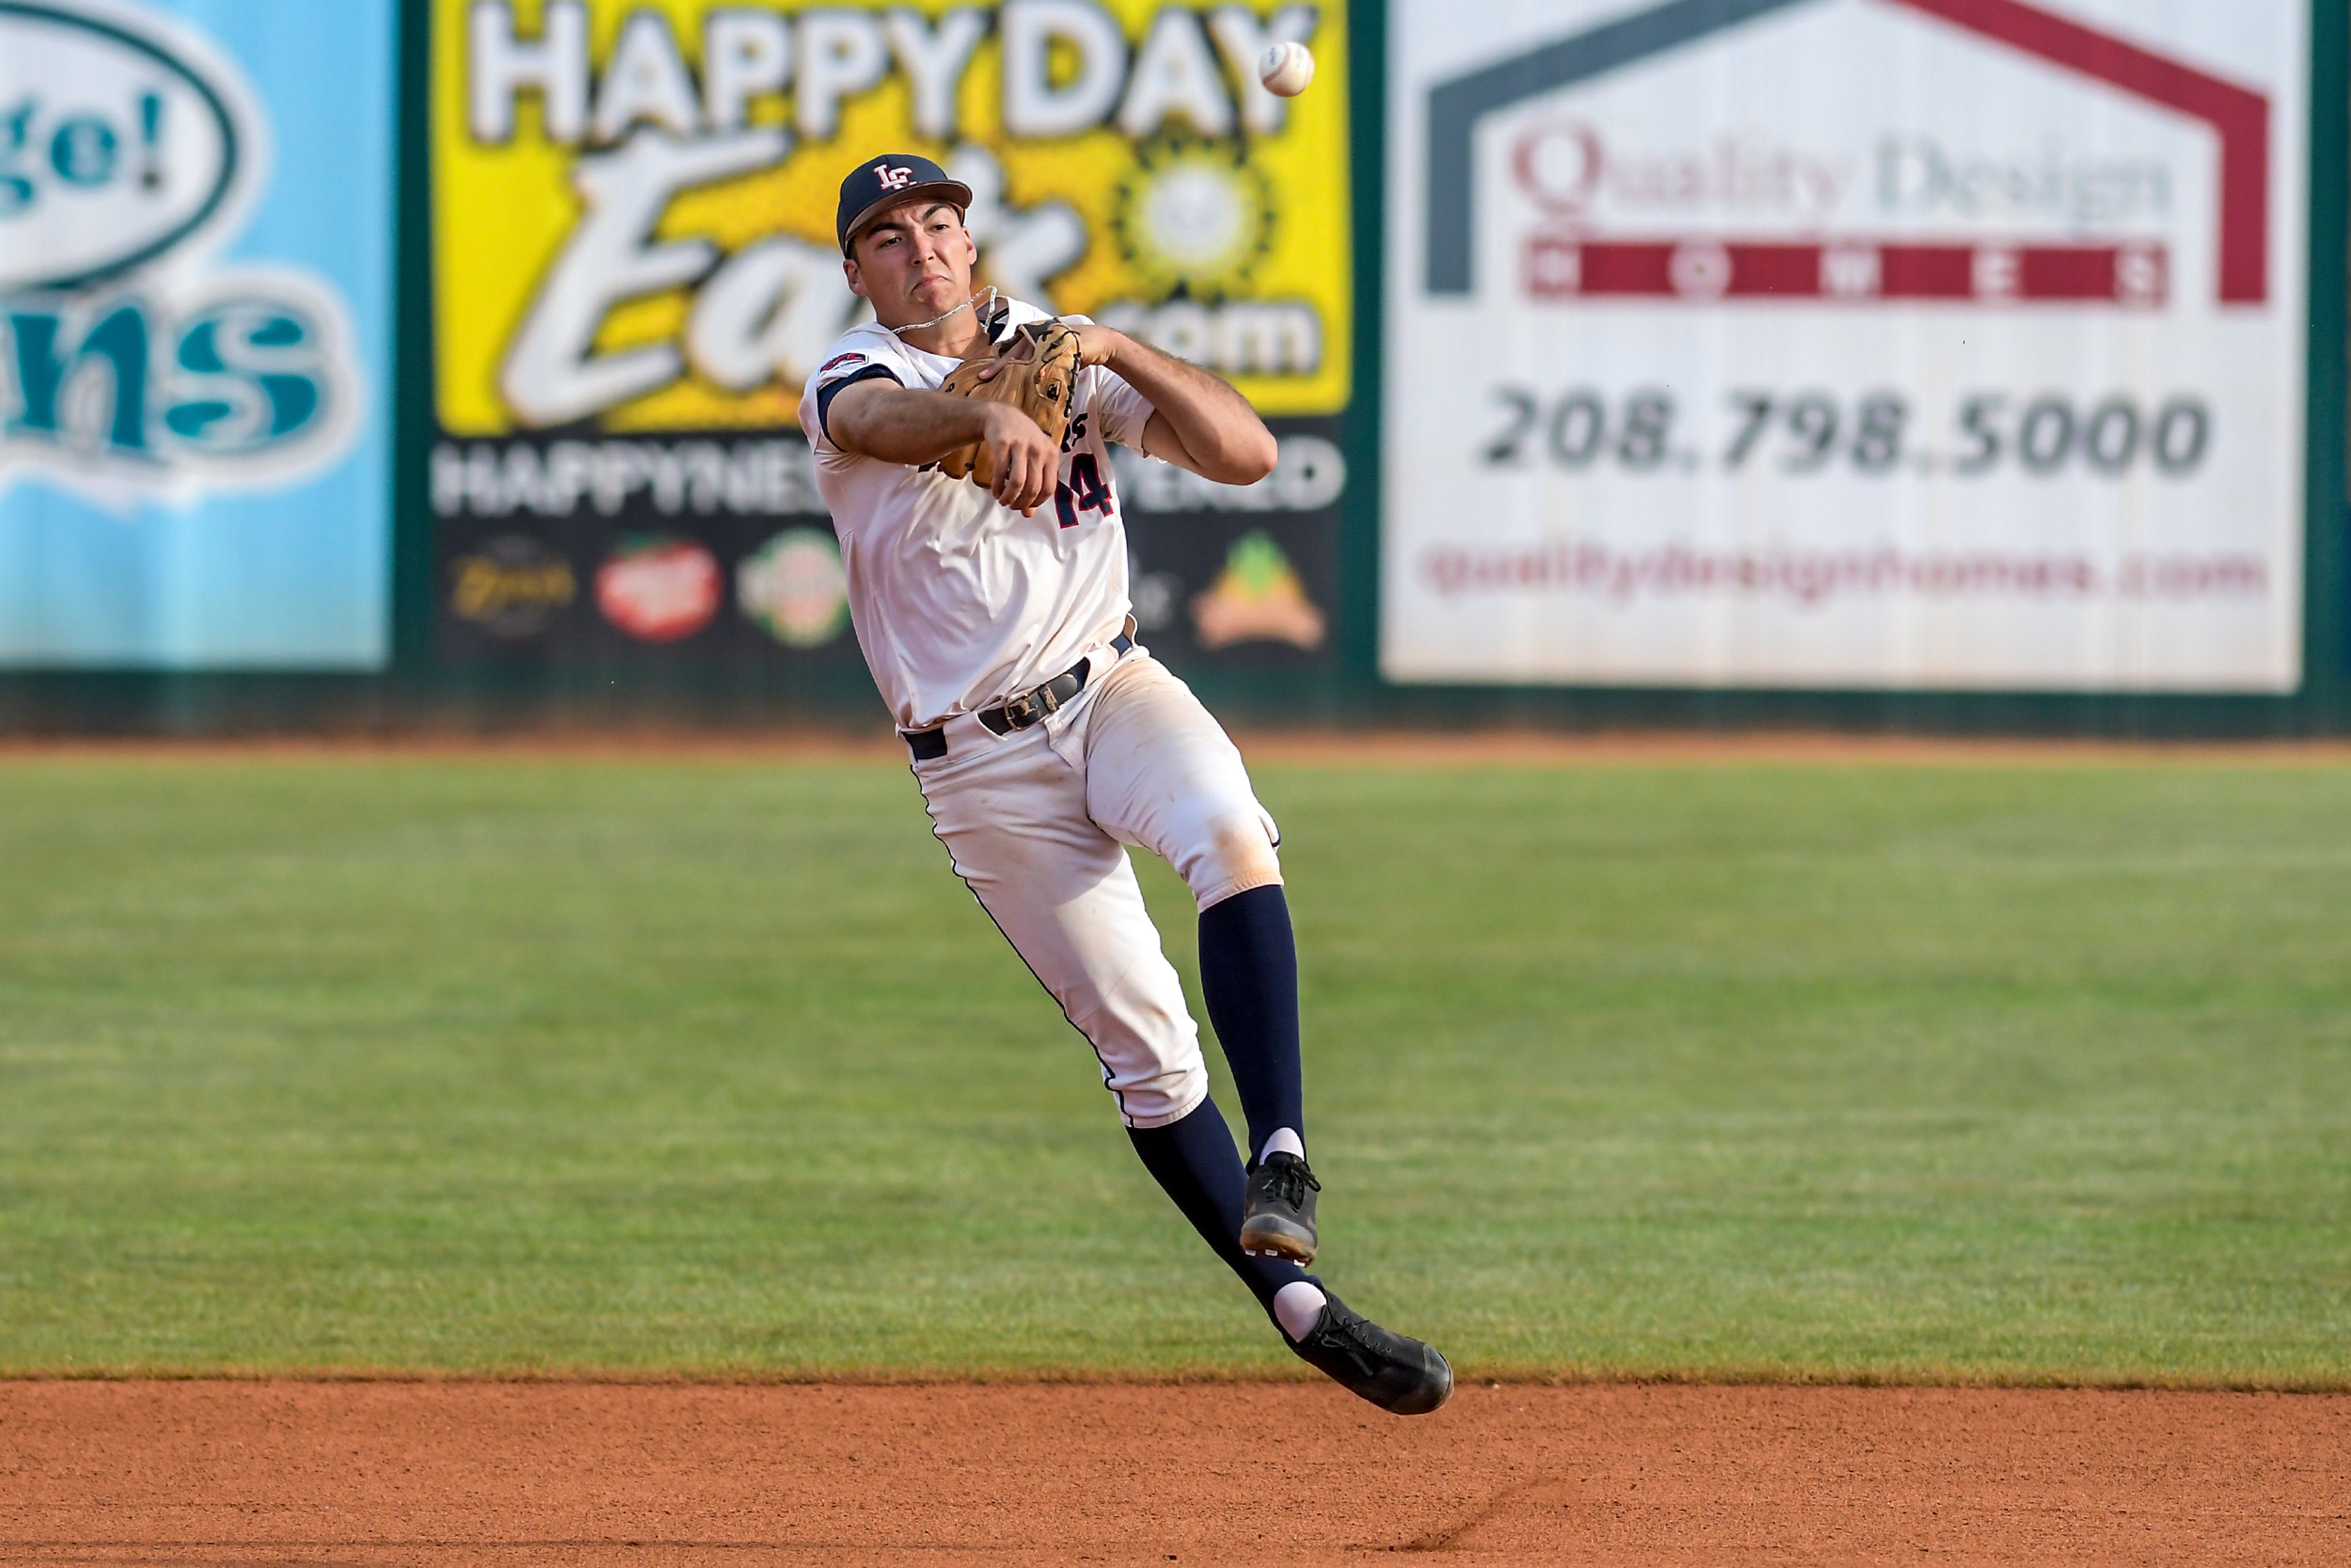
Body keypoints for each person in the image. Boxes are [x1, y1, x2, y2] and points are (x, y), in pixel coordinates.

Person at [797, 154, 1450, 1414]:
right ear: (857, 270)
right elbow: (882, 426)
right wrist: (981, 419)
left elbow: (1247, 454)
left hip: (1113, 688)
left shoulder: (1060, 355)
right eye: (888, 236)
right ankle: (1304, 1313)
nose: (921, 248)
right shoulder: (852, 378)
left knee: (1227, 834)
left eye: (939, 223)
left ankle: (1286, 1156)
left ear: (970, 245)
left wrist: (1122, 352)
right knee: (1146, 1055)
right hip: (979, 766)